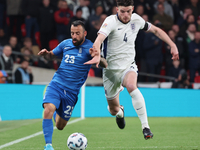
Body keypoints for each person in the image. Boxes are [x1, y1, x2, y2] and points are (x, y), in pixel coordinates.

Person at [84, 0, 179, 140]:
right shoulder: (110, 21)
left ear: (132, 9)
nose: (126, 15)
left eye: (128, 11)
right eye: (122, 11)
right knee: (112, 110)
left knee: (131, 86)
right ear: (117, 9)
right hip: (110, 71)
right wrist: (97, 54)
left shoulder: (136, 19)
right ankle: (120, 112)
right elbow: (98, 40)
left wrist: (172, 44)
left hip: (128, 65)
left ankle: (145, 127)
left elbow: (156, 30)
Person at [38, 20, 106, 150]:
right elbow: (51, 56)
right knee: (48, 109)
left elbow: (104, 63)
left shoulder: (91, 47)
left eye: (77, 33)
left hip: (71, 93)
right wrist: (46, 55)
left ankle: (55, 108)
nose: (74, 36)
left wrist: (97, 57)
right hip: (56, 84)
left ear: (84, 33)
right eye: (72, 33)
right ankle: (48, 146)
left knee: (60, 126)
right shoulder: (65, 43)